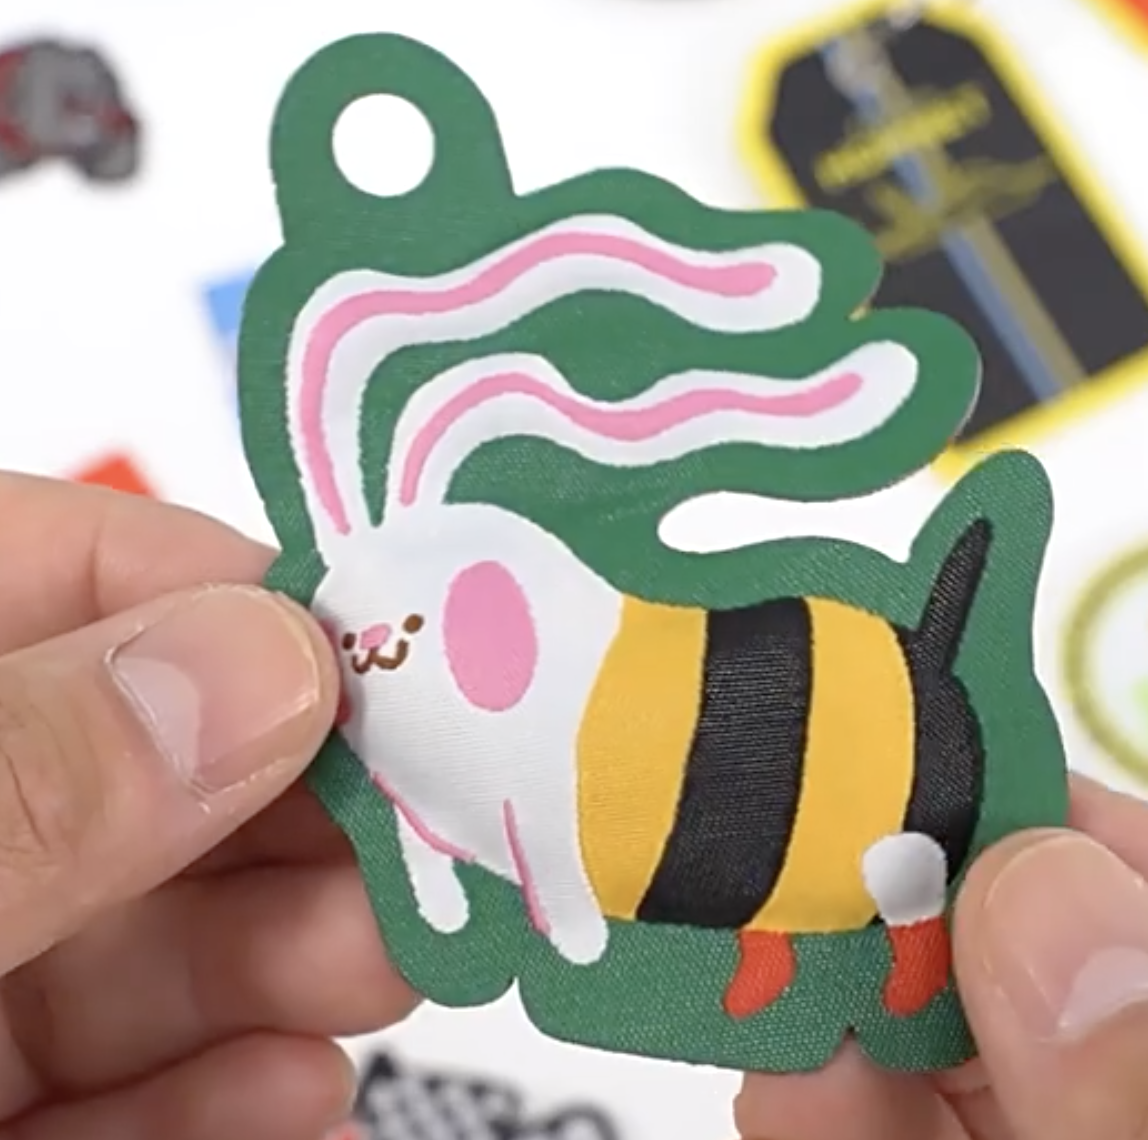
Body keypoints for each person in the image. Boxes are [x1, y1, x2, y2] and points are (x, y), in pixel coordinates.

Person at [0, 474, 1143, 1140]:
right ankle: (774, 935)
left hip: (852, 734)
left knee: (864, 842)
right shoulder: (458, 758)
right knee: (734, 859)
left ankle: (888, 931)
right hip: (687, 812)